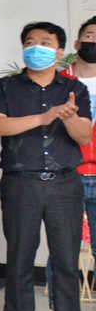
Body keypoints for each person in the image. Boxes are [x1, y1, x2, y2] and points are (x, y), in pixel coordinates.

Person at [0, 21, 96, 311]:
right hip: (21, 182)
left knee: (65, 258)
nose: (37, 47)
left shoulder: (75, 89)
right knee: (20, 254)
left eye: (46, 42)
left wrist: (69, 117)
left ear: (60, 51)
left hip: (65, 183)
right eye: (30, 42)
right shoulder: (5, 87)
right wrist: (44, 117)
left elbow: (84, 135)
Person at [63, 16, 96, 290]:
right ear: (77, 43)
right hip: (67, 174)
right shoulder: (60, 82)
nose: (94, 41)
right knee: (63, 251)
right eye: (90, 35)